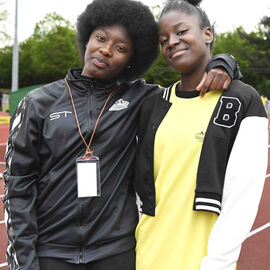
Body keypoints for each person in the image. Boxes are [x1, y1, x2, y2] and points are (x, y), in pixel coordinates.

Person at [3, 0, 240, 269]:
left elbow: (189, 86)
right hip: (53, 252)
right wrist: (23, 261)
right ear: (87, 37)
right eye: (100, 38)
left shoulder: (142, 99)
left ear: (132, 60)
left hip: (116, 252)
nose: (105, 50)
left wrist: (224, 62)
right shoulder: (38, 102)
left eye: (120, 48)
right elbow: (18, 184)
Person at [135, 0, 268, 270]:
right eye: (163, 40)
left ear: (207, 34)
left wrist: (217, 264)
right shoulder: (152, 103)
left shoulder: (241, 99)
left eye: (181, 32)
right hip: (146, 253)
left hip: (202, 259)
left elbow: (243, 196)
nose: (171, 42)